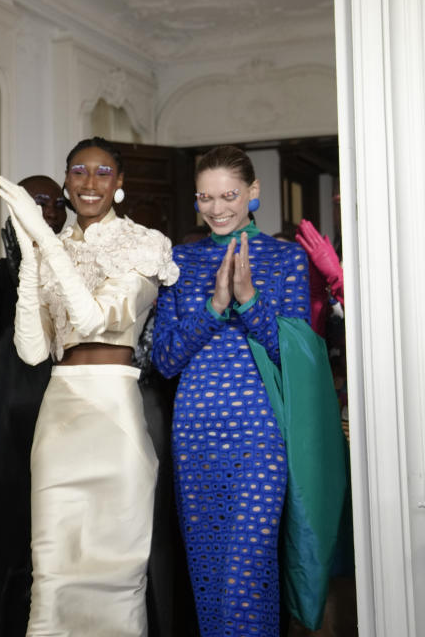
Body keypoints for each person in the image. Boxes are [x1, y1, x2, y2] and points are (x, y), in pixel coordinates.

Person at [0, 137, 179, 636]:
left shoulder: (144, 243)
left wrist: (46, 242)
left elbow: (97, 320)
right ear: (66, 180)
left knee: (117, 575)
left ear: (119, 185)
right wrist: (35, 258)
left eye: (103, 173)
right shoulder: (55, 245)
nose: (90, 182)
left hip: (115, 412)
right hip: (59, 418)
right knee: (51, 575)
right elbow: (34, 349)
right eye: (79, 170)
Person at [151, 145, 310, 637]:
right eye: (205, 197)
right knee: (208, 573)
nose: (217, 209)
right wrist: (216, 307)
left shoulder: (287, 258)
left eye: (229, 195)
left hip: (260, 434)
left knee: (249, 568)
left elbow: (295, 359)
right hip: (195, 432)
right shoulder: (179, 260)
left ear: (253, 193)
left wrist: (249, 302)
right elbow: (165, 358)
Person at [0, 175, 66, 636]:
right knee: (4, 546)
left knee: (55, 541)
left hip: (61, 417)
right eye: (32, 201)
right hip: (6, 423)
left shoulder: (71, 268)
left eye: (51, 202)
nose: (43, 210)